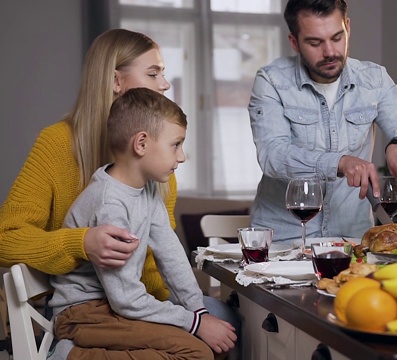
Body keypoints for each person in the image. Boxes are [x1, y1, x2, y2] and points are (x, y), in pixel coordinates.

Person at [0, 29, 239, 357]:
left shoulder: (156, 162)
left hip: (142, 302)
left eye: (163, 73)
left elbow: (162, 253)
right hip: (90, 308)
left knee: (230, 324)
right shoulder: (57, 144)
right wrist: (81, 243)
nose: (165, 84)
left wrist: (191, 313)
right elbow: (5, 238)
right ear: (115, 81)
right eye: (153, 73)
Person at [49, 88, 236, 358]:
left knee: (209, 344)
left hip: (113, 306)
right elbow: (125, 298)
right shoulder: (110, 204)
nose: (182, 156)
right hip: (84, 313)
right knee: (198, 353)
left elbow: (171, 255)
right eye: (176, 145)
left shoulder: (145, 191)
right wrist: (195, 324)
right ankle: (73, 356)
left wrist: (198, 311)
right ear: (141, 144)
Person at [248, 0, 397, 242]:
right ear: (294, 42)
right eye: (315, 43)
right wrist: (339, 163)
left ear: (348, 27)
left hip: (352, 236)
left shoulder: (374, 79)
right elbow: (273, 155)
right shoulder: (272, 81)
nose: (330, 52)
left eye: (337, 37)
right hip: (283, 238)